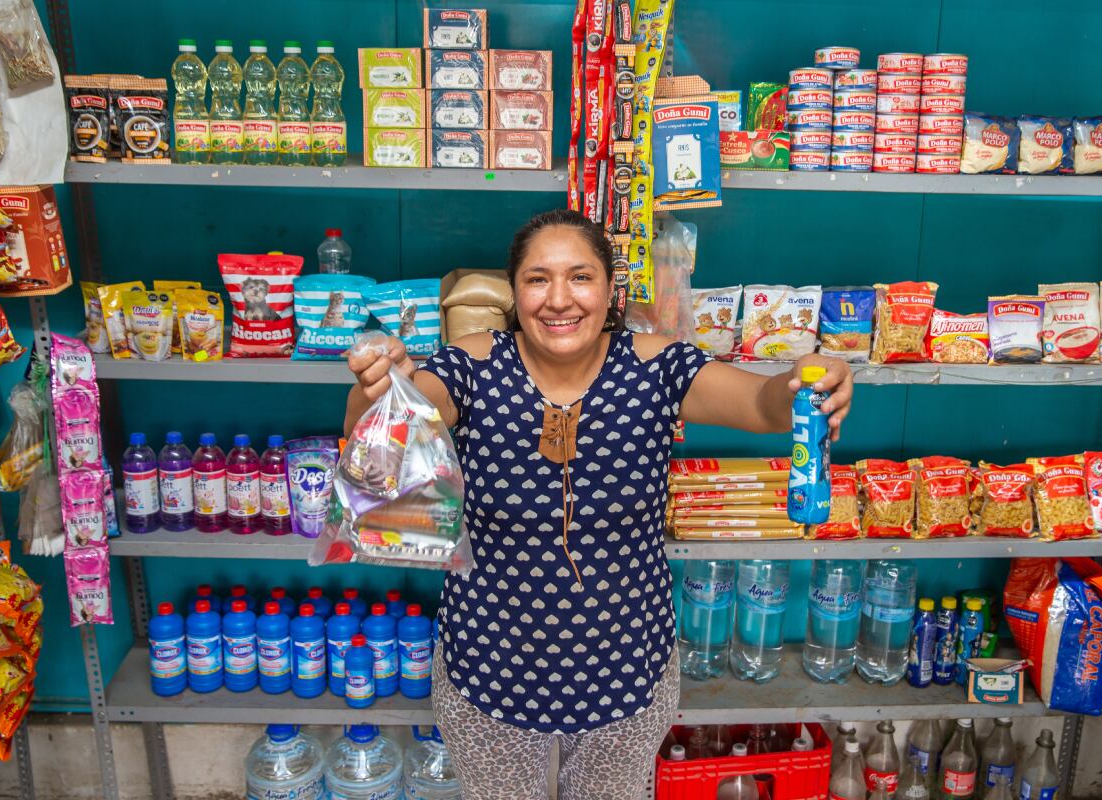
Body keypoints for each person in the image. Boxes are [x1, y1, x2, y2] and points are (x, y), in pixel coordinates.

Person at [345, 209, 853, 799]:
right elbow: (380, 433)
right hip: (488, 673)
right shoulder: (473, 364)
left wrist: (806, 382)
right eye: (538, 279)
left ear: (611, 287)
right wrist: (380, 387)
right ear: (515, 291)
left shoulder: (658, 366)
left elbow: (762, 404)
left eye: (580, 277)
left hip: (626, 674)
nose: (559, 299)